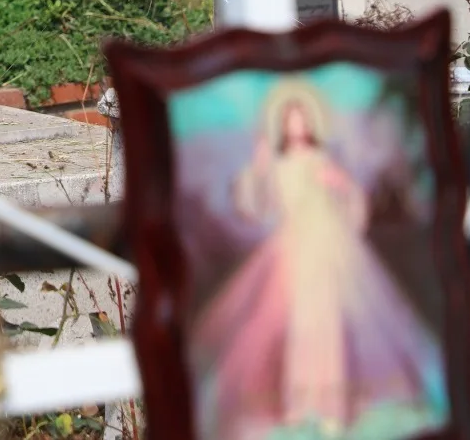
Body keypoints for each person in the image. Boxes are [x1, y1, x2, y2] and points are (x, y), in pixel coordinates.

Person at [191, 78, 446, 440]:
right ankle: (300, 403)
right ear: (281, 124)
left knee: (329, 324)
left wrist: (349, 222)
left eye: (302, 117)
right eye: (290, 118)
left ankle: (332, 406)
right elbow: (257, 209)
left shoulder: (320, 160)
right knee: (297, 326)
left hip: (329, 247)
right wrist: (262, 167)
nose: (298, 124)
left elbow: (354, 200)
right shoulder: (276, 166)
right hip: (292, 249)